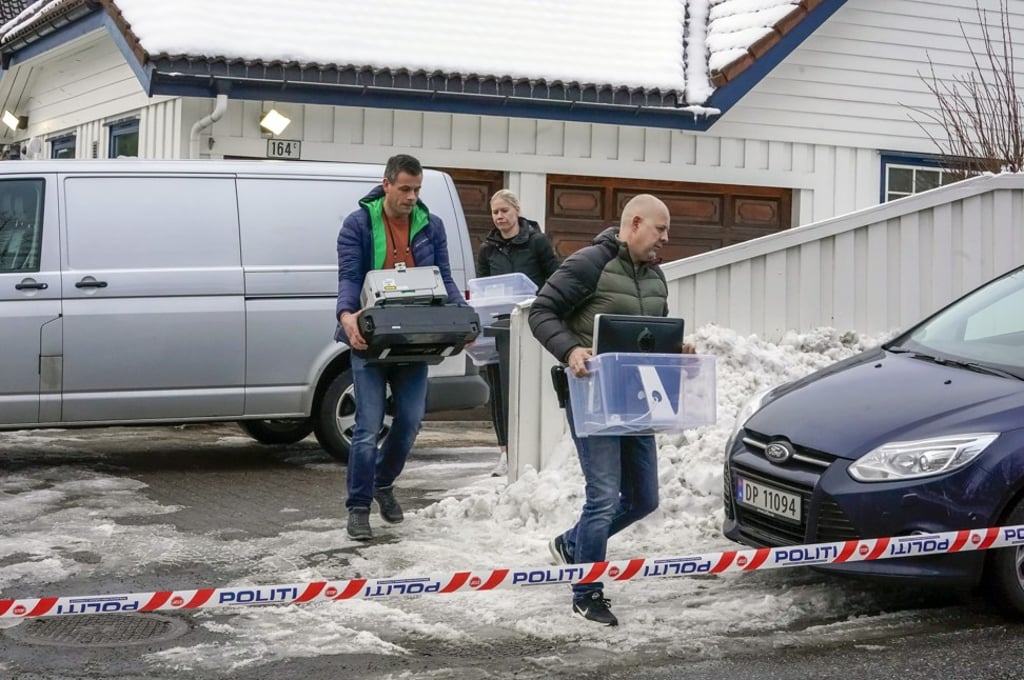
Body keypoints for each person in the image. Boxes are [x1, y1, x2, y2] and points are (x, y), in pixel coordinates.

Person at [528, 193, 693, 627]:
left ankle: (571, 545)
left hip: (637, 400)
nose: (666, 238)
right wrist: (569, 351)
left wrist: (678, 350)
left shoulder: (657, 276)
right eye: (660, 229)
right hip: (593, 396)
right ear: (635, 223)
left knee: (643, 499)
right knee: (602, 497)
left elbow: (649, 334)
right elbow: (541, 311)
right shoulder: (589, 263)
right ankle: (586, 591)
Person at [335, 154, 468, 541]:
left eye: (417, 190)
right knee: (367, 427)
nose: (412, 197)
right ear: (387, 184)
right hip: (370, 339)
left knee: (410, 421)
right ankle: (358, 507)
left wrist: (463, 316)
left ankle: (383, 483)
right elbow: (348, 277)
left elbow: (443, 278)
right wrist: (346, 315)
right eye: (405, 189)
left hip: (415, 340)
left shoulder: (432, 226)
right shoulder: (358, 225)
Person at [476, 189, 560, 476]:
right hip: (499, 326)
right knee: (499, 389)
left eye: (504, 211)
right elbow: (482, 288)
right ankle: (505, 452)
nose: (500, 217)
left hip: (530, 323)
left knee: (528, 386)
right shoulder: (487, 248)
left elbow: (554, 276)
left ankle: (534, 446)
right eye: (495, 212)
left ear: (516, 211)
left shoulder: (537, 242)